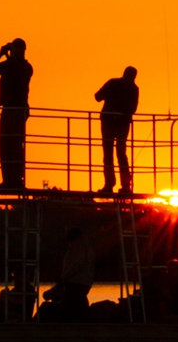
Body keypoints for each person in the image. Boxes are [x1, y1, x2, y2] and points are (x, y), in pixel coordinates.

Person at [0, 39, 34, 190]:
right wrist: (1, 53)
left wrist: (7, 56)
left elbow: (19, 75)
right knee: (4, 146)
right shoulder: (12, 65)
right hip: (8, 109)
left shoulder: (24, 67)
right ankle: (8, 180)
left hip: (17, 110)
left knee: (15, 145)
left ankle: (16, 180)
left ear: (21, 50)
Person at [94, 66, 139, 195]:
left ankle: (122, 185)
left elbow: (133, 108)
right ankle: (112, 184)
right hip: (112, 122)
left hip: (118, 123)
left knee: (118, 153)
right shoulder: (116, 84)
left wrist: (113, 102)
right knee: (111, 153)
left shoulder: (131, 88)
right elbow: (97, 96)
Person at [42, 227, 94, 321]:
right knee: (77, 303)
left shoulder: (78, 247)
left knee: (74, 303)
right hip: (80, 282)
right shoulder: (83, 246)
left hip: (77, 282)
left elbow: (77, 265)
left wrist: (64, 276)